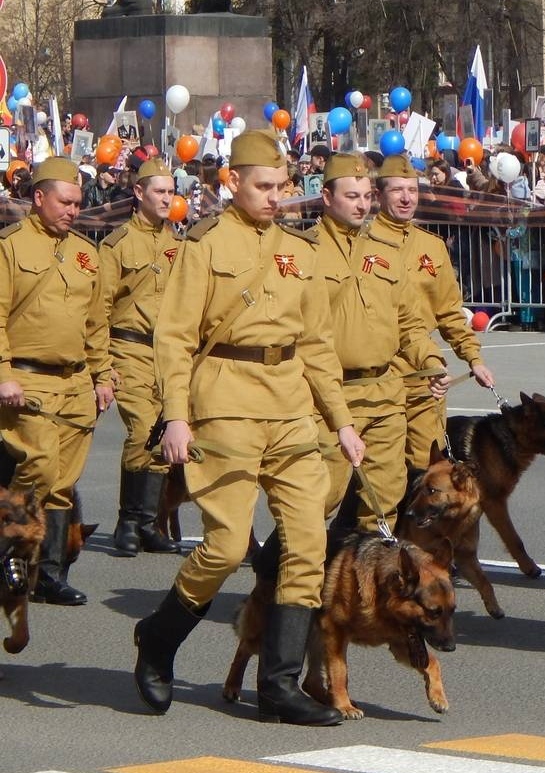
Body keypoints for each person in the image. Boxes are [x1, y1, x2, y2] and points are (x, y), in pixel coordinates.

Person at [135, 130, 362, 725]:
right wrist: (177, 417)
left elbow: (315, 343)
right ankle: (158, 640)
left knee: (308, 542)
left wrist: (340, 421)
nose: (274, 197)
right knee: (228, 545)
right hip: (225, 402)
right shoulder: (205, 244)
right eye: (262, 186)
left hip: (288, 404)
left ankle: (279, 686)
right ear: (230, 182)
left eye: (282, 186)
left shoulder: (300, 250)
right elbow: (176, 337)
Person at [298, 154, 449, 545]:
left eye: (366, 196)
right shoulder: (305, 253)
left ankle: (357, 585)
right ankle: (283, 584)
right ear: (327, 198)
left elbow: (410, 322)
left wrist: (430, 361)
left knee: (385, 498)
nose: (362, 204)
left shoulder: (383, 252)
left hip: (385, 390)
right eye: (352, 196)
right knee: (321, 496)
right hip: (329, 395)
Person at [0, 157, 113, 606]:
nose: (72, 210)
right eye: (64, 201)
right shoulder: (10, 247)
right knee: (40, 467)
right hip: (28, 381)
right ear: (39, 197)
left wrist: (103, 373)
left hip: (76, 382)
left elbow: (95, 321)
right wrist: (3, 372)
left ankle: (48, 575)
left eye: (78, 203)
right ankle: (9, 552)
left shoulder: (87, 252)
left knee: (64, 482)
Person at [371, 156, 493, 484]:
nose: (407, 198)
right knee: (380, 476)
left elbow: (450, 312)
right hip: (378, 373)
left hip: (425, 376)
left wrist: (473, 357)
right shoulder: (362, 244)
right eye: (397, 190)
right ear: (378, 195)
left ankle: (412, 536)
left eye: (412, 190)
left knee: (429, 470)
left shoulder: (431, 247)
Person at [98, 157, 183, 557]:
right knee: (141, 429)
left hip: (169, 351)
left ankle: (149, 522)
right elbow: (99, 307)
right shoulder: (117, 245)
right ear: (138, 193)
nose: (168, 199)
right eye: (160, 192)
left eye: (171, 192)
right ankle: (129, 520)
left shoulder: (179, 245)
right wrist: (102, 364)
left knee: (165, 430)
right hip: (128, 346)